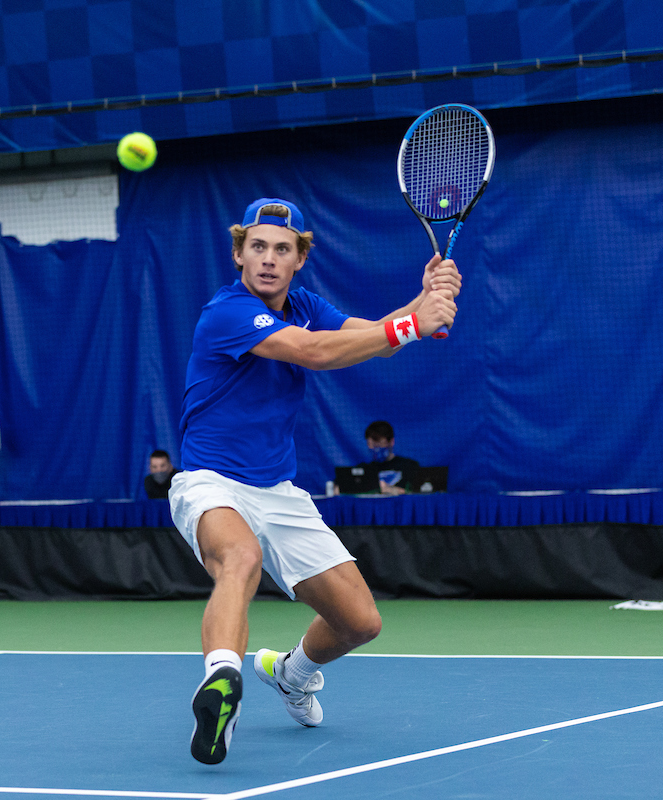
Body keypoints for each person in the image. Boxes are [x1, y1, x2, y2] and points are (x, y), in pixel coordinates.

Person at [168, 198, 460, 765]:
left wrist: (422, 303)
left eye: (283, 248)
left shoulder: (304, 303)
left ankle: (292, 673)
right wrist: (413, 322)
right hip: (211, 482)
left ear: (299, 259)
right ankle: (222, 682)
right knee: (240, 558)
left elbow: (370, 334)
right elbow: (313, 351)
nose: (269, 259)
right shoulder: (225, 312)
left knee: (359, 622)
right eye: (258, 247)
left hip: (278, 492)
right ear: (238, 254)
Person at [359, 420, 421, 496]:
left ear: (391, 442)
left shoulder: (409, 466)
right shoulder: (364, 470)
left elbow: (414, 493)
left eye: (377, 443)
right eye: (370, 444)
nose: (374, 448)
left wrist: (389, 489)